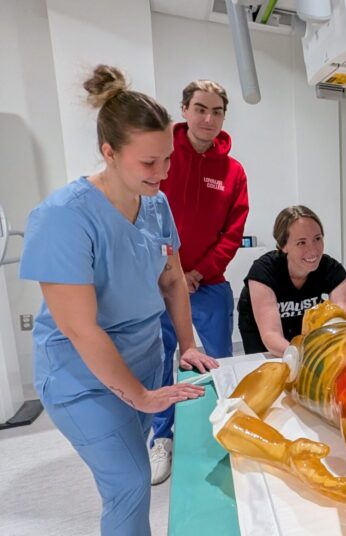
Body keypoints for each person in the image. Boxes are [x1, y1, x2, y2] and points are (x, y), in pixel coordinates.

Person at [18, 65, 219, 535]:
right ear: (109, 152)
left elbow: (171, 281)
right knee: (129, 483)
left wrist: (185, 345)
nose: (163, 173)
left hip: (144, 357)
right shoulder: (64, 218)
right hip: (81, 376)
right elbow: (79, 328)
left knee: (131, 468)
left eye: (168, 159)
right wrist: (143, 396)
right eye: (149, 163)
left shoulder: (155, 203)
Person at [149, 79, 249, 484]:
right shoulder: (162, 157)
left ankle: (224, 431)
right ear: (185, 109)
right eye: (201, 108)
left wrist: (196, 273)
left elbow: (233, 231)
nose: (209, 118)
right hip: (157, 282)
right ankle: (162, 438)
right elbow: (144, 214)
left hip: (208, 285)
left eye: (217, 111)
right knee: (161, 363)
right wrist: (170, 273)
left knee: (219, 361)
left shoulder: (233, 171)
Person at [237, 206, 346, 355]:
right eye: (301, 242)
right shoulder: (263, 271)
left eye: (317, 238)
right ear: (283, 245)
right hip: (260, 326)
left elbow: (344, 322)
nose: (313, 250)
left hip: (302, 321)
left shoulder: (332, 269)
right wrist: (303, 356)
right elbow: (271, 335)